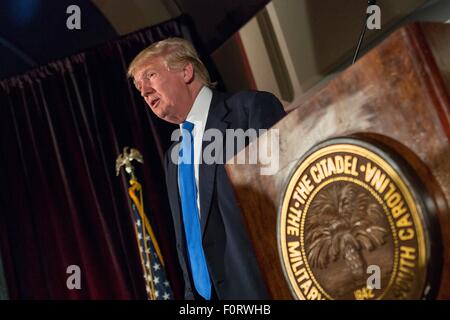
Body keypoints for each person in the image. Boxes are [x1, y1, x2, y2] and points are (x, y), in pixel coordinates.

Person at [128, 37, 286, 299]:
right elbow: (188, 240)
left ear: (186, 71)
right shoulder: (173, 156)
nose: (144, 91)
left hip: (261, 288)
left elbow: (286, 199)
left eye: (150, 75)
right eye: (138, 87)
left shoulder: (248, 111)